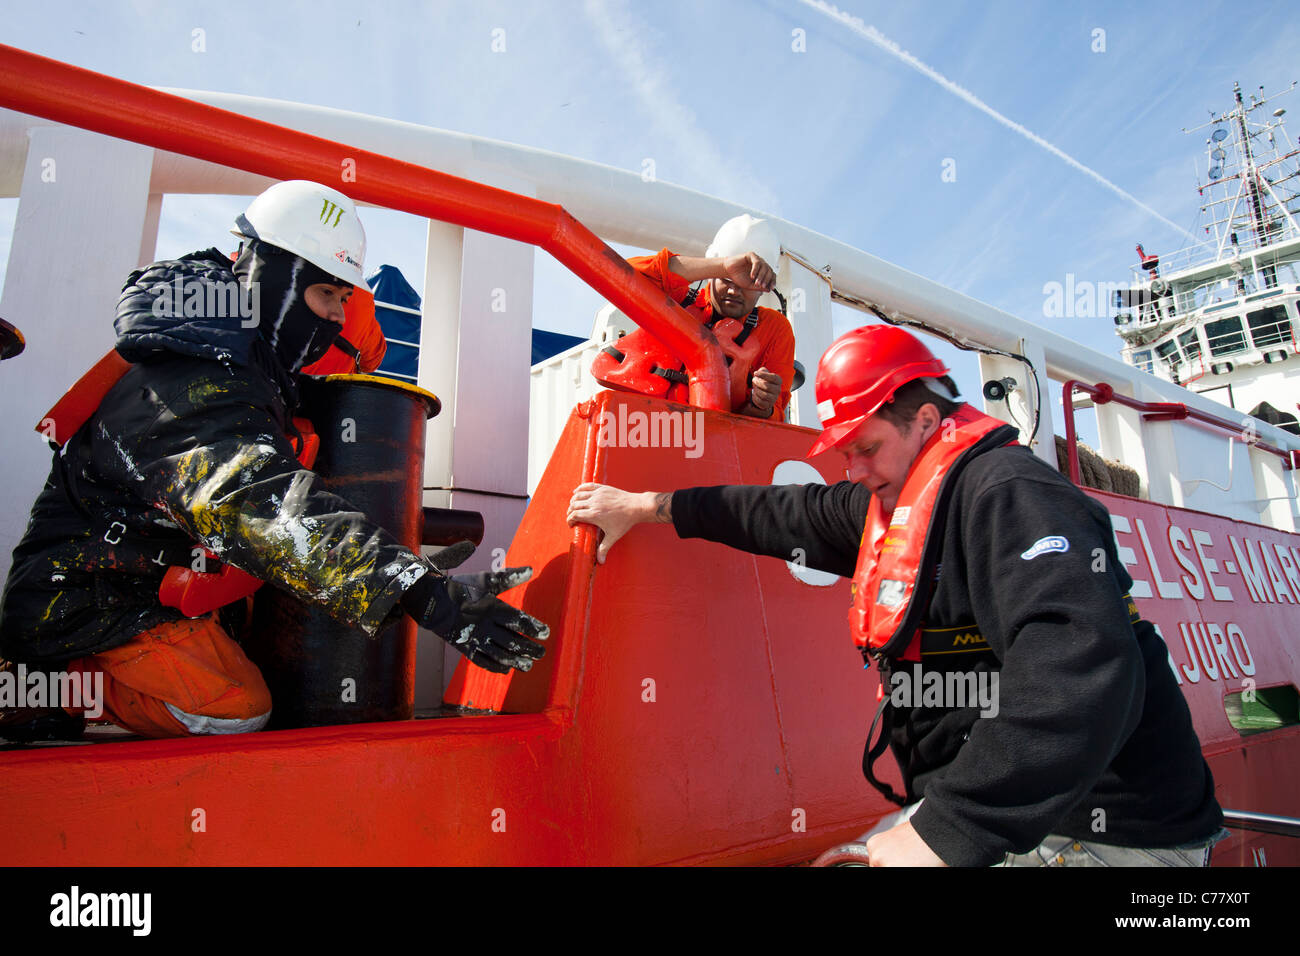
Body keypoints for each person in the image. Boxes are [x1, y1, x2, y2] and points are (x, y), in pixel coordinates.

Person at [566, 323, 1223, 867]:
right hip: (1005, 814)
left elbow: (1083, 665)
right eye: (845, 451)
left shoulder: (1012, 495)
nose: (851, 470)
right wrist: (643, 505)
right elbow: (774, 513)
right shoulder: (896, 502)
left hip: (1108, 831)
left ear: (927, 421)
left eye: (866, 448)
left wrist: (946, 831)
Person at [0, 180, 545, 740]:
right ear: (273, 279)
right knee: (234, 709)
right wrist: (420, 590)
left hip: (151, 591)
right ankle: (42, 684)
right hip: (85, 607)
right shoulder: (191, 373)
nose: (336, 317)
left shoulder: (244, 365)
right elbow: (255, 501)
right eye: (325, 294)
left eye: (342, 298)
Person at [592, 214, 796, 420]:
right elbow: (619, 273)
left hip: (716, 444)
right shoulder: (675, 300)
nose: (735, 291)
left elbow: (774, 415)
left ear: (765, 287)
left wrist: (761, 406)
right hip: (644, 429)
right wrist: (724, 265)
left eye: (748, 283)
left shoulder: (775, 330)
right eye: (728, 279)